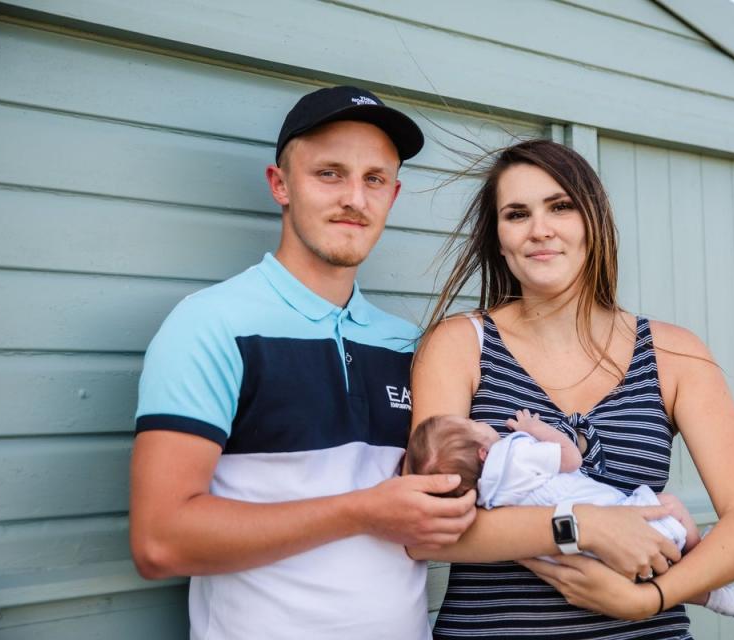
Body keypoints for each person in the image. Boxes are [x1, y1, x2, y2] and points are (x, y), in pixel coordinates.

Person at [129, 85, 477, 640]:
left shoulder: (411, 346)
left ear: (394, 194)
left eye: (374, 179)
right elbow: (159, 542)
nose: (355, 200)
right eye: (329, 173)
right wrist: (363, 511)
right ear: (280, 184)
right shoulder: (210, 325)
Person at [408, 139, 734, 638]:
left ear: (594, 222)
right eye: (516, 214)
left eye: (560, 207)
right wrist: (579, 524)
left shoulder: (673, 353)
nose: (539, 230)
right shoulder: (460, 345)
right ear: (499, 240)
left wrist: (646, 598)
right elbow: (428, 533)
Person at [407, 410, 734, 618]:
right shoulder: (514, 452)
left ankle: (711, 594)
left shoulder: (487, 500)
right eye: (471, 423)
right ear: (483, 452)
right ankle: (704, 565)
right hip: (628, 523)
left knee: (658, 570)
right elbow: (570, 460)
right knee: (670, 504)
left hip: (583, 566)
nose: (480, 422)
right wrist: (536, 430)